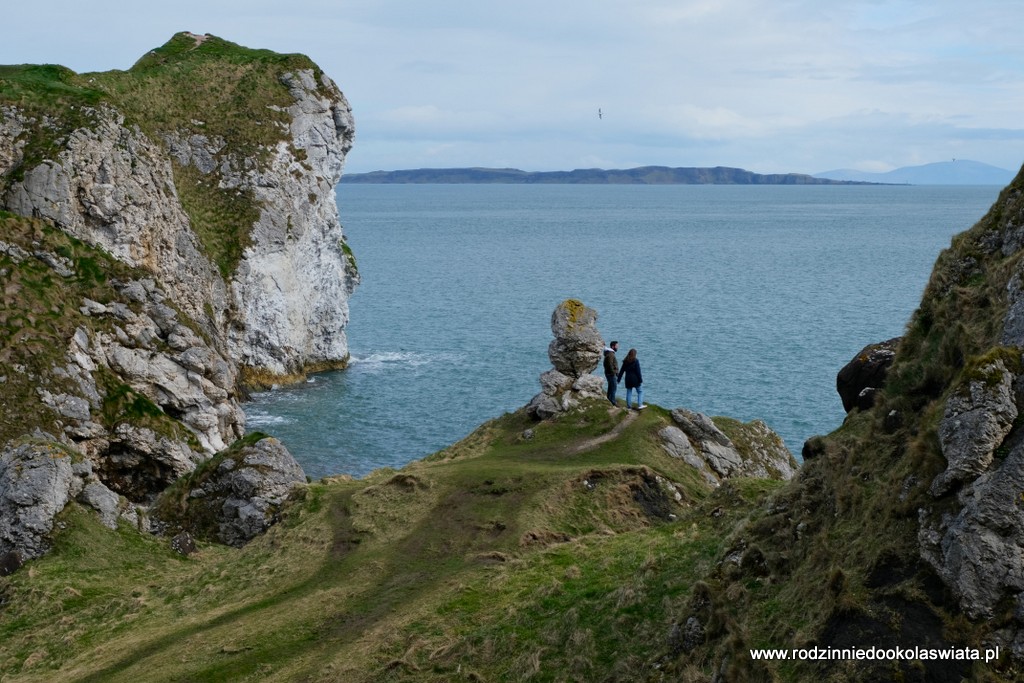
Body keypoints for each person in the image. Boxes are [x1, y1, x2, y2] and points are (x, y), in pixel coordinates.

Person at [603, 341, 620, 406]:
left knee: (611, 387)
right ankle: (613, 401)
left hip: (609, 373)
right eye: (616, 346)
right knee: (613, 387)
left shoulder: (609, 353)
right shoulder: (611, 354)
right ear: (613, 346)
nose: (617, 347)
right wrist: (613, 372)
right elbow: (610, 364)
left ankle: (609, 398)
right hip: (611, 374)